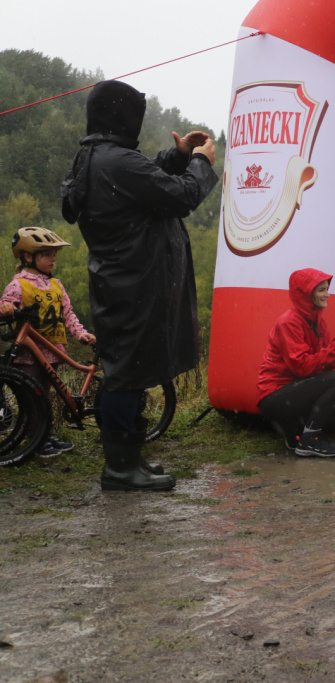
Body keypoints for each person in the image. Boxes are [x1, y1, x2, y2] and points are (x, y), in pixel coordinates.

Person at [62, 80, 218, 492]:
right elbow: (181, 196)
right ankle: (119, 468)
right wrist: (200, 163)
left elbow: (144, 178)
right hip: (135, 282)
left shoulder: (94, 157)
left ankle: (130, 459)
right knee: (125, 376)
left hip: (121, 280)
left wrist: (177, 155)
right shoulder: (116, 162)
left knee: (130, 371)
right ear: (123, 116)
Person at [0, 228, 97, 457]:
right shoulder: (18, 284)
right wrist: (5, 307)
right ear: (28, 256)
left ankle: (42, 434)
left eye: (54, 254)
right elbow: (6, 304)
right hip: (29, 353)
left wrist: (81, 333)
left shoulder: (56, 285)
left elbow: (68, 314)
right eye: (46, 254)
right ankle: (35, 441)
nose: (52, 259)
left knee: (43, 396)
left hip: (53, 351)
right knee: (32, 398)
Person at [257, 269, 335, 457]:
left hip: (299, 390)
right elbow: (302, 367)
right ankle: (309, 440)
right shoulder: (289, 322)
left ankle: (296, 427)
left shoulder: (318, 321)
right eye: (321, 290)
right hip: (275, 396)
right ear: (306, 293)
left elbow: (321, 363)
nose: (327, 295)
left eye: (327, 289)